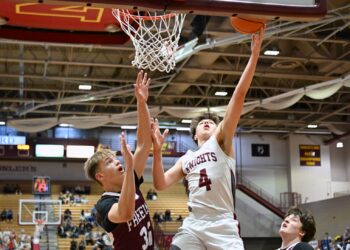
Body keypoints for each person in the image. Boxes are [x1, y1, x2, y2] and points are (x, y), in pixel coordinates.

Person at [151, 28, 264, 250]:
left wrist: (254, 57)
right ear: (194, 135)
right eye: (202, 122)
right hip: (194, 224)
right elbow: (160, 184)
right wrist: (156, 153)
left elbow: (238, 96)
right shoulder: (186, 159)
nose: (207, 123)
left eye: (212, 122)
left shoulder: (221, 142)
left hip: (222, 223)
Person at [84, 71, 154, 250]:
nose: (117, 162)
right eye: (109, 162)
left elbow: (144, 143)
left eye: (116, 159)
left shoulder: (130, 180)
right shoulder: (104, 206)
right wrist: (130, 165)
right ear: (100, 176)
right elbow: (125, 213)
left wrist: (141, 102)